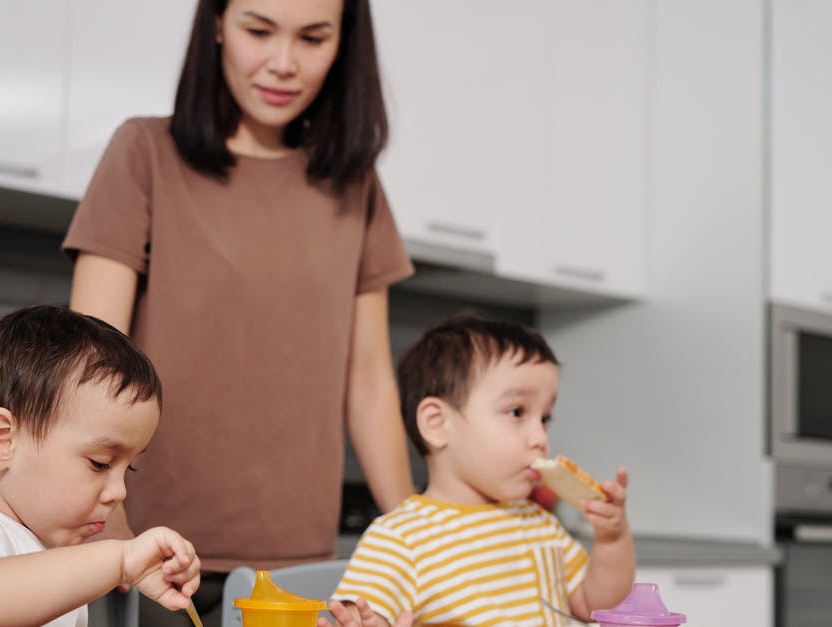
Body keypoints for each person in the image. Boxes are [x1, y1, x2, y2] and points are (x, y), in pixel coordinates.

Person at [63, 0, 414, 623]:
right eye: (259, 30)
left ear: (343, 45)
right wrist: (114, 535)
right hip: (150, 555)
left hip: (296, 570)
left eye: (312, 37)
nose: (283, 63)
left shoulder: (355, 185)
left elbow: (368, 381)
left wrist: (420, 538)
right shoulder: (144, 152)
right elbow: (90, 362)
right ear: (218, 25)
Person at [322, 312, 635, 627]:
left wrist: (611, 540)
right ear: (438, 424)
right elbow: (362, 617)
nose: (540, 438)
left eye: (545, 418)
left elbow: (594, 605)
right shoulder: (400, 539)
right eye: (517, 412)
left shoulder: (540, 525)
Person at [0, 305, 201, 627]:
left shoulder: (45, 550)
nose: (118, 493)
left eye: (129, 469)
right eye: (100, 464)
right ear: (2, 441)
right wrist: (121, 559)